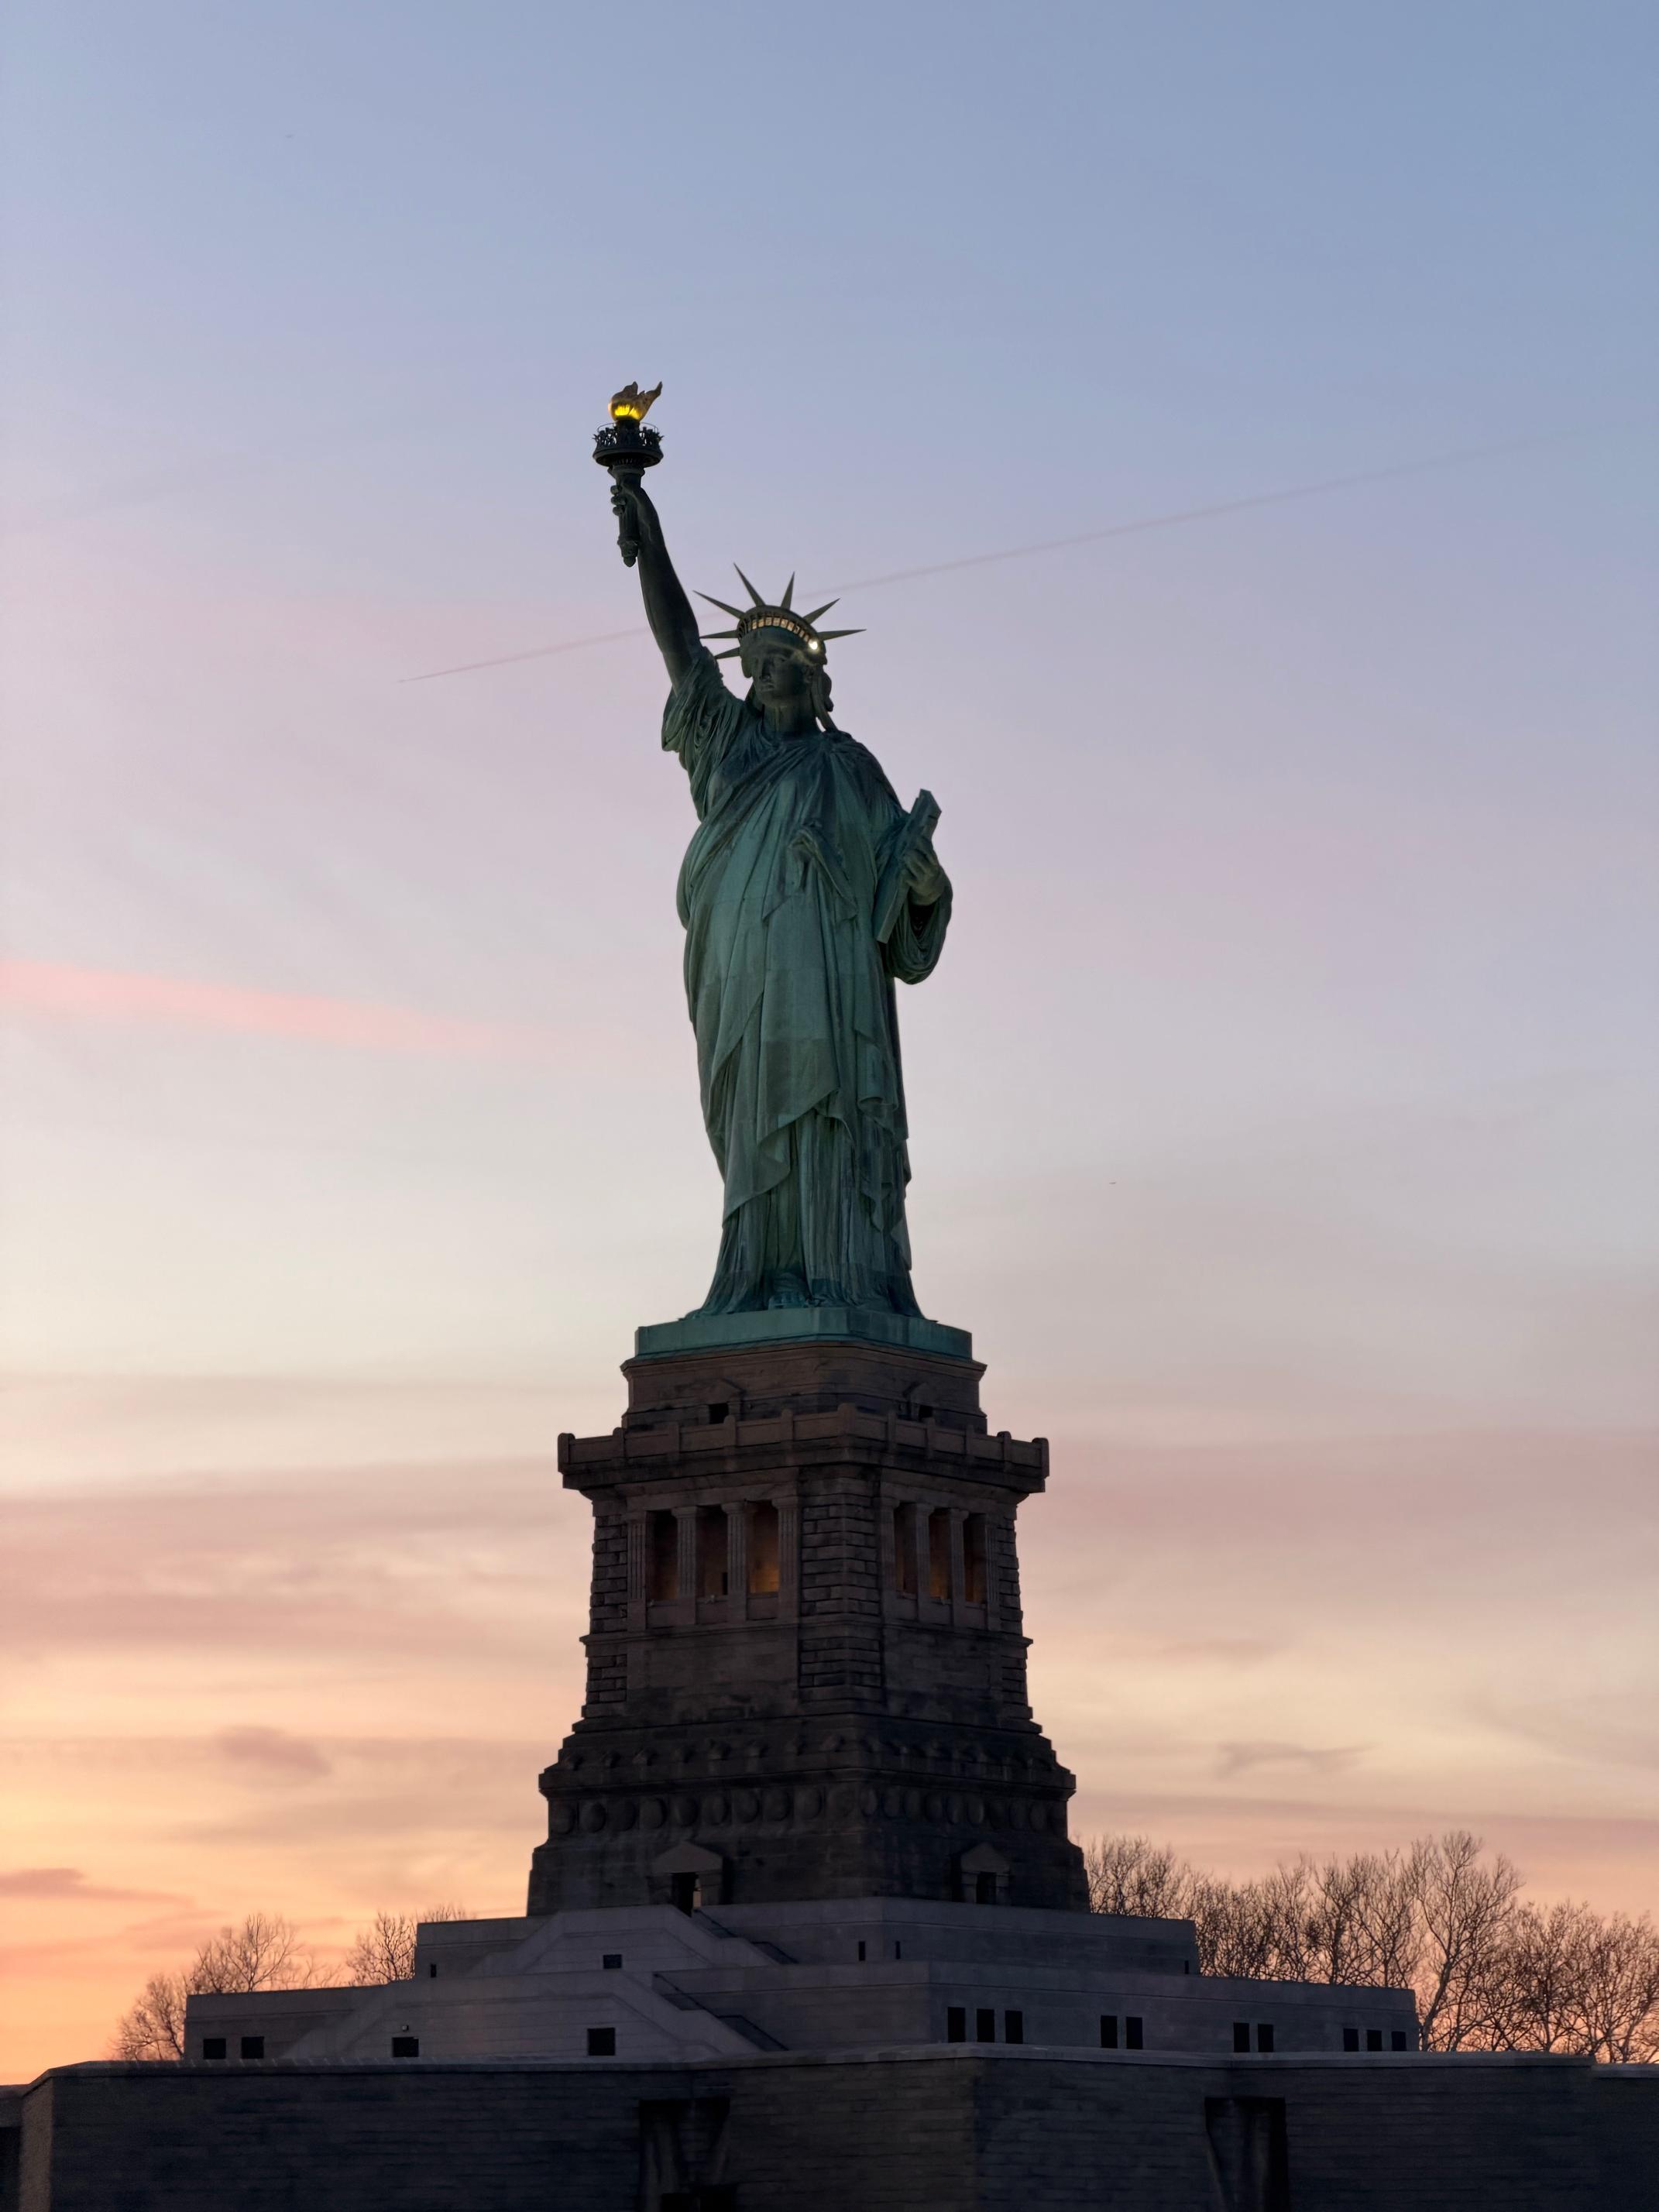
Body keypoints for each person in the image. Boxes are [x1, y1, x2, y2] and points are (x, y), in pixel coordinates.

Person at [608, 473, 952, 1316]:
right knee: (754, 1111)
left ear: (812, 680)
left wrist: (927, 886)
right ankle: (759, 1274)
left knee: (826, 1108)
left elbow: (905, 917)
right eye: (755, 668)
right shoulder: (723, 739)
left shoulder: (852, 769)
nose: (766, 680)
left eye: (783, 669)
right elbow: (678, 643)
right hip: (741, 966)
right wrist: (645, 525)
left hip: (831, 980)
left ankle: (837, 1273)